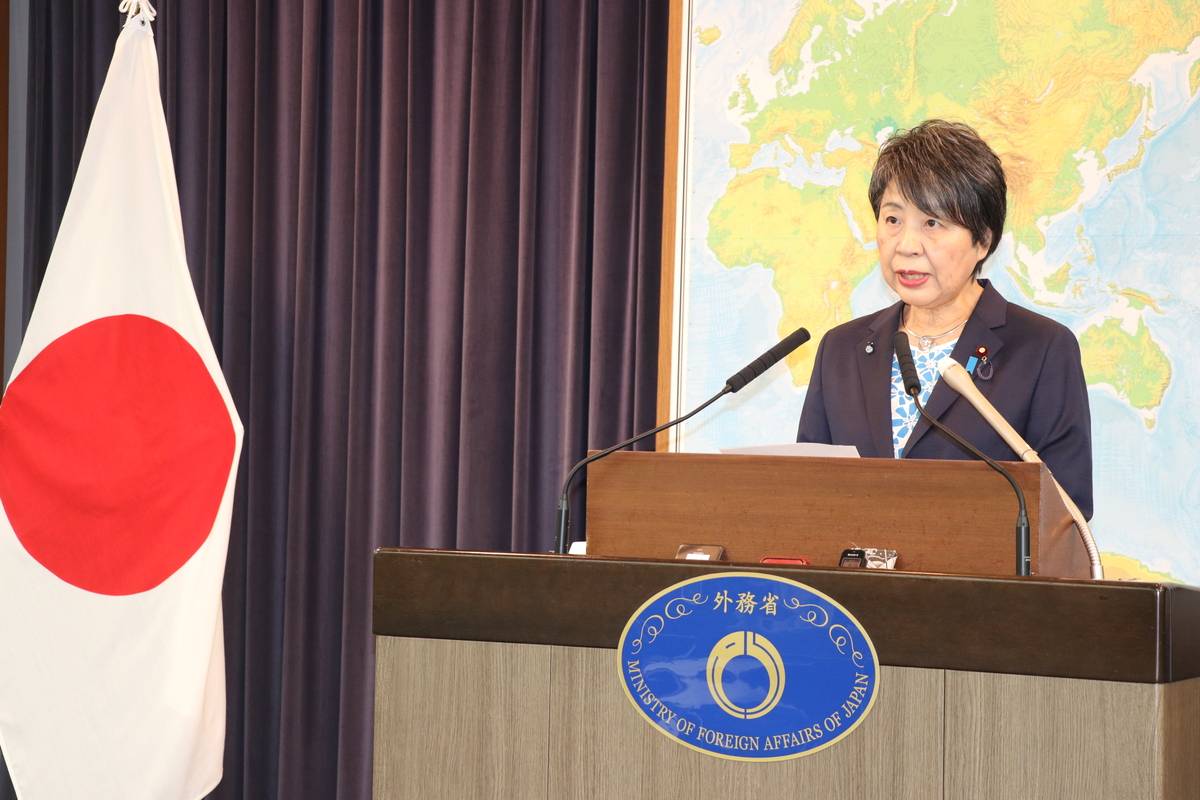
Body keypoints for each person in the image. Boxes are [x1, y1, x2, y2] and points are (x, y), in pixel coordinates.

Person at [796, 120, 1093, 518]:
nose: (907, 246)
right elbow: (805, 493)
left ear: (983, 239)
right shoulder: (842, 348)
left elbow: (1066, 512)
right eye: (893, 219)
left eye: (932, 223)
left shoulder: (1041, 348)